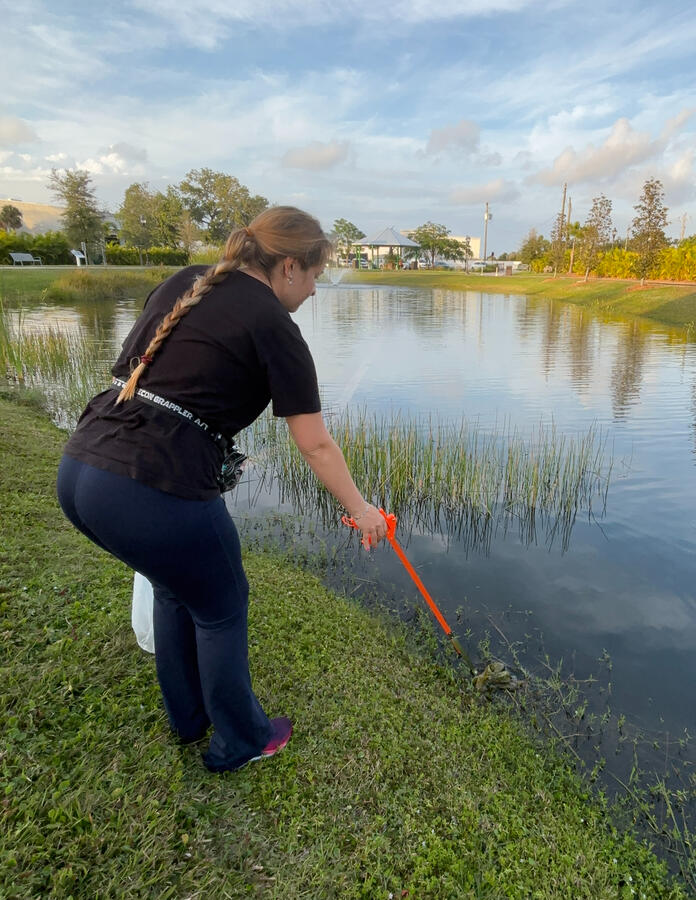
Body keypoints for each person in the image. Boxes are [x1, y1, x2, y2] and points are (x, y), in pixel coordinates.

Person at [56, 206, 387, 773]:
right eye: (313, 276)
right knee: (223, 607)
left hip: (81, 469)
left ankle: (188, 721)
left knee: (174, 586)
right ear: (287, 267)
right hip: (151, 486)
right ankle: (240, 740)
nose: (313, 291)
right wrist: (363, 511)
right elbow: (315, 445)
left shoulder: (186, 280)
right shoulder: (275, 327)